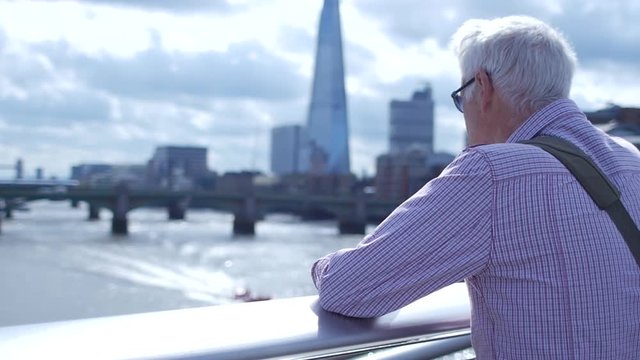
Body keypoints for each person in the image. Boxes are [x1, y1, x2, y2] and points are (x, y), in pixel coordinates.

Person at [311, 16, 640, 359]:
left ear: (482, 88)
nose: (464, 114)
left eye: (460, 97)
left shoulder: (492, 173)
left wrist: (322, 266)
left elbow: (347, 288)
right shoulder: (633, 162)